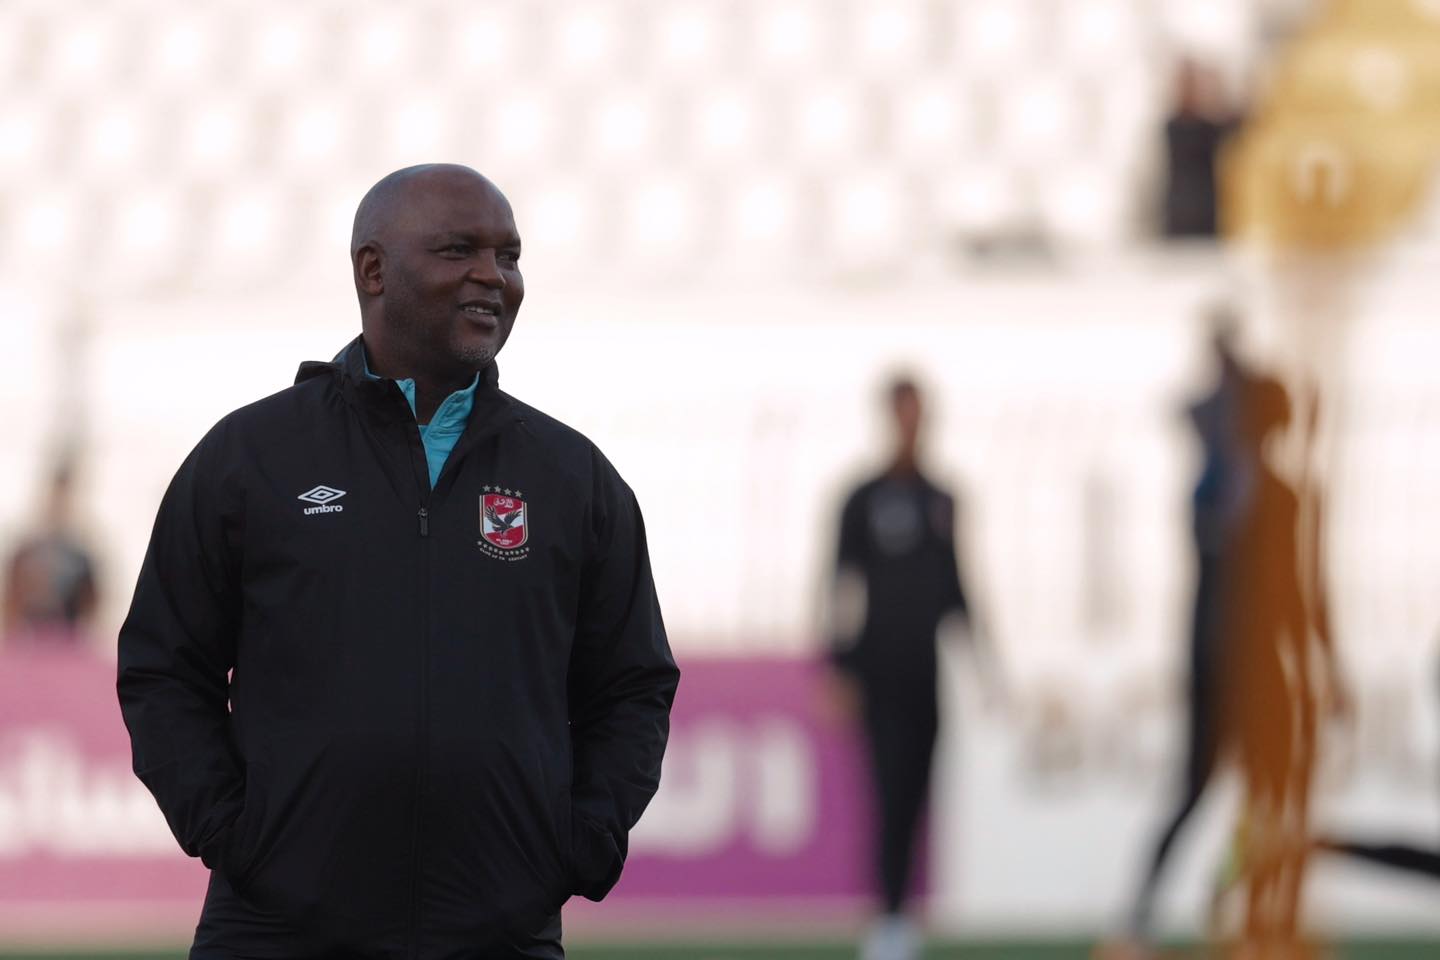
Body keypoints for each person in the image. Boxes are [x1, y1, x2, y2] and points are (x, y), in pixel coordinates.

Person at [116, 164, 679, 960]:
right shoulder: (252, 456)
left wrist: (578, 844)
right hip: (276, 931)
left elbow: (632, 686)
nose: (494, 276)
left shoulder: (572, 476)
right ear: (372, 270)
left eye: (509, 256)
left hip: (500, 934)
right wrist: (236, 836)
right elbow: (164, 668)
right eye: (459, 250)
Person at [826, 376, 986, 960]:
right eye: (903, 412)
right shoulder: (862, 498)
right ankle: (888, 917)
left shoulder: (941, 498)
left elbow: (957, 584)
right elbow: (841, 583)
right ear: (889, 417)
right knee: (889, 792)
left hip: (925, 672)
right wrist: (841, 665)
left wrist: (984, 664)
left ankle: (904, 913)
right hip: (878, 673)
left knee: (919, 795)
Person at [1124, 313, 1254, 944]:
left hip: (1244, 658)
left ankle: (1227, 898)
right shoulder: (1213, 486)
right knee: (1195, 790)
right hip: (1214, 655)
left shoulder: (1254, 479)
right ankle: (1142, 912)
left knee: (1259, 798)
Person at [2, 458, 99, 647]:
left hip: (67, 646)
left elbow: (90, 608)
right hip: (29, 644)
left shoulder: (81, 558)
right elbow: (11, 603)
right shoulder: (26, 553)